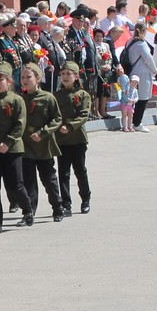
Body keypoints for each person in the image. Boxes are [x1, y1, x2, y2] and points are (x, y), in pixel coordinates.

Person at [0, 62, 30, 228]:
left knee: (15, 185)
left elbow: (20, 124)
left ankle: (27, 210)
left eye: (0, 79)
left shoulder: (16, 100)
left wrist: (8, 142)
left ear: (9, 81)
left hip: (12, 148)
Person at [18, 63, 64, 223]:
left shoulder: (47, 98)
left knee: (49, 179)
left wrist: (43, 132)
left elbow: (57, 118)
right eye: (23, 77)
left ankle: (58, 207)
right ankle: (28, 212)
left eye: (28, 77)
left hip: (44, 146)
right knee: (28, 181)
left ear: (37, 78)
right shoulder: (20, 99)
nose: (25, 80)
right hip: (26, 145)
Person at [55, 61, 92, 216]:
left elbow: (83, 115)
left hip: (77, 139)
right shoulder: (56, 96)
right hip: (61, 140)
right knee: (63, 173)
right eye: (63, 74)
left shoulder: (83, 95)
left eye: (68, 74)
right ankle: (66, 204)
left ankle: (85, 199)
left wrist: (69, 126)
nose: (65, 77)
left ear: (76, 76)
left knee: (80, 171)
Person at [122, 21, 157, 132]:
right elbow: (149, 59)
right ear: (143, 31)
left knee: (134, 97)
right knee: (143, 98)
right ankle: (137, 123)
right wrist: (155, 70)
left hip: (132, 71)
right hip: (142, 73)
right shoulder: (141, 43)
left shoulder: (129, 42)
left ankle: (133, 122)